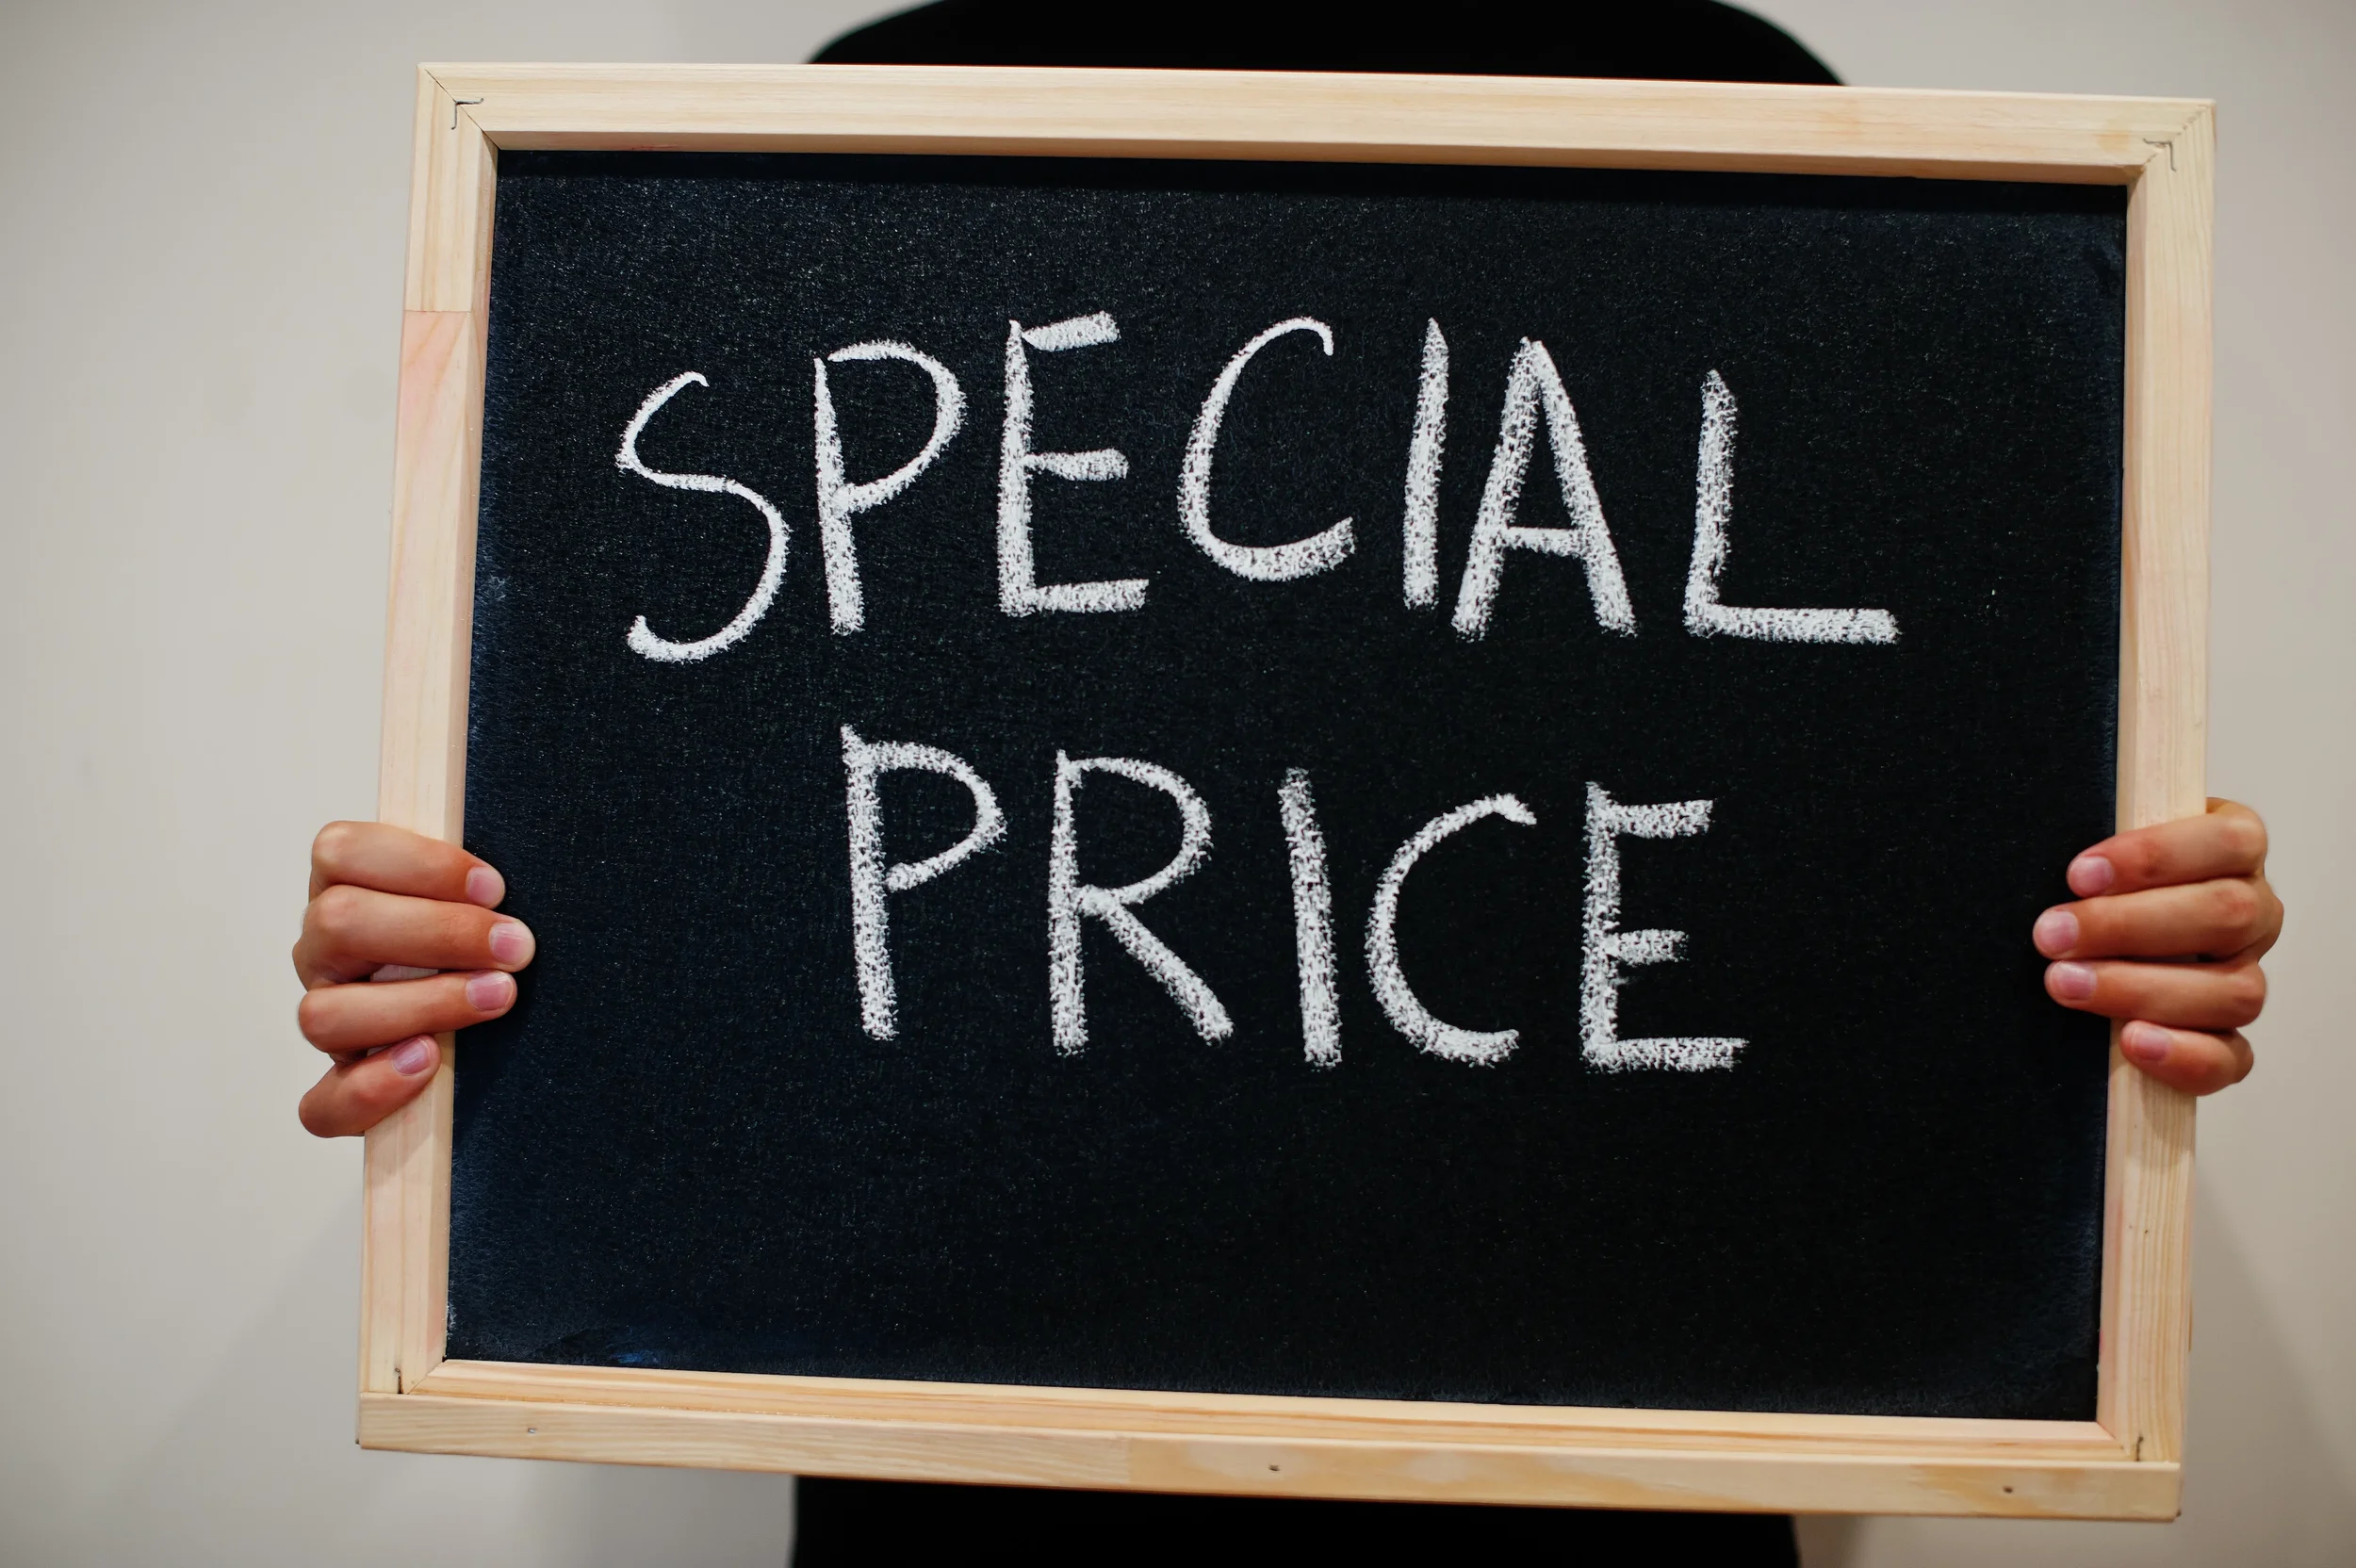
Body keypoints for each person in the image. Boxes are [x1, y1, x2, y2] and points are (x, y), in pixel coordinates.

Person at [294, 4, 2281, 1560]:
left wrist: (2104, 953)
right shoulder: (875, 114)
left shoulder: (1744, 104)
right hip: (965, 1513)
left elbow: (1903, 809)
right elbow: (681, 818)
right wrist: (471, 995)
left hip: (1606, 1519)